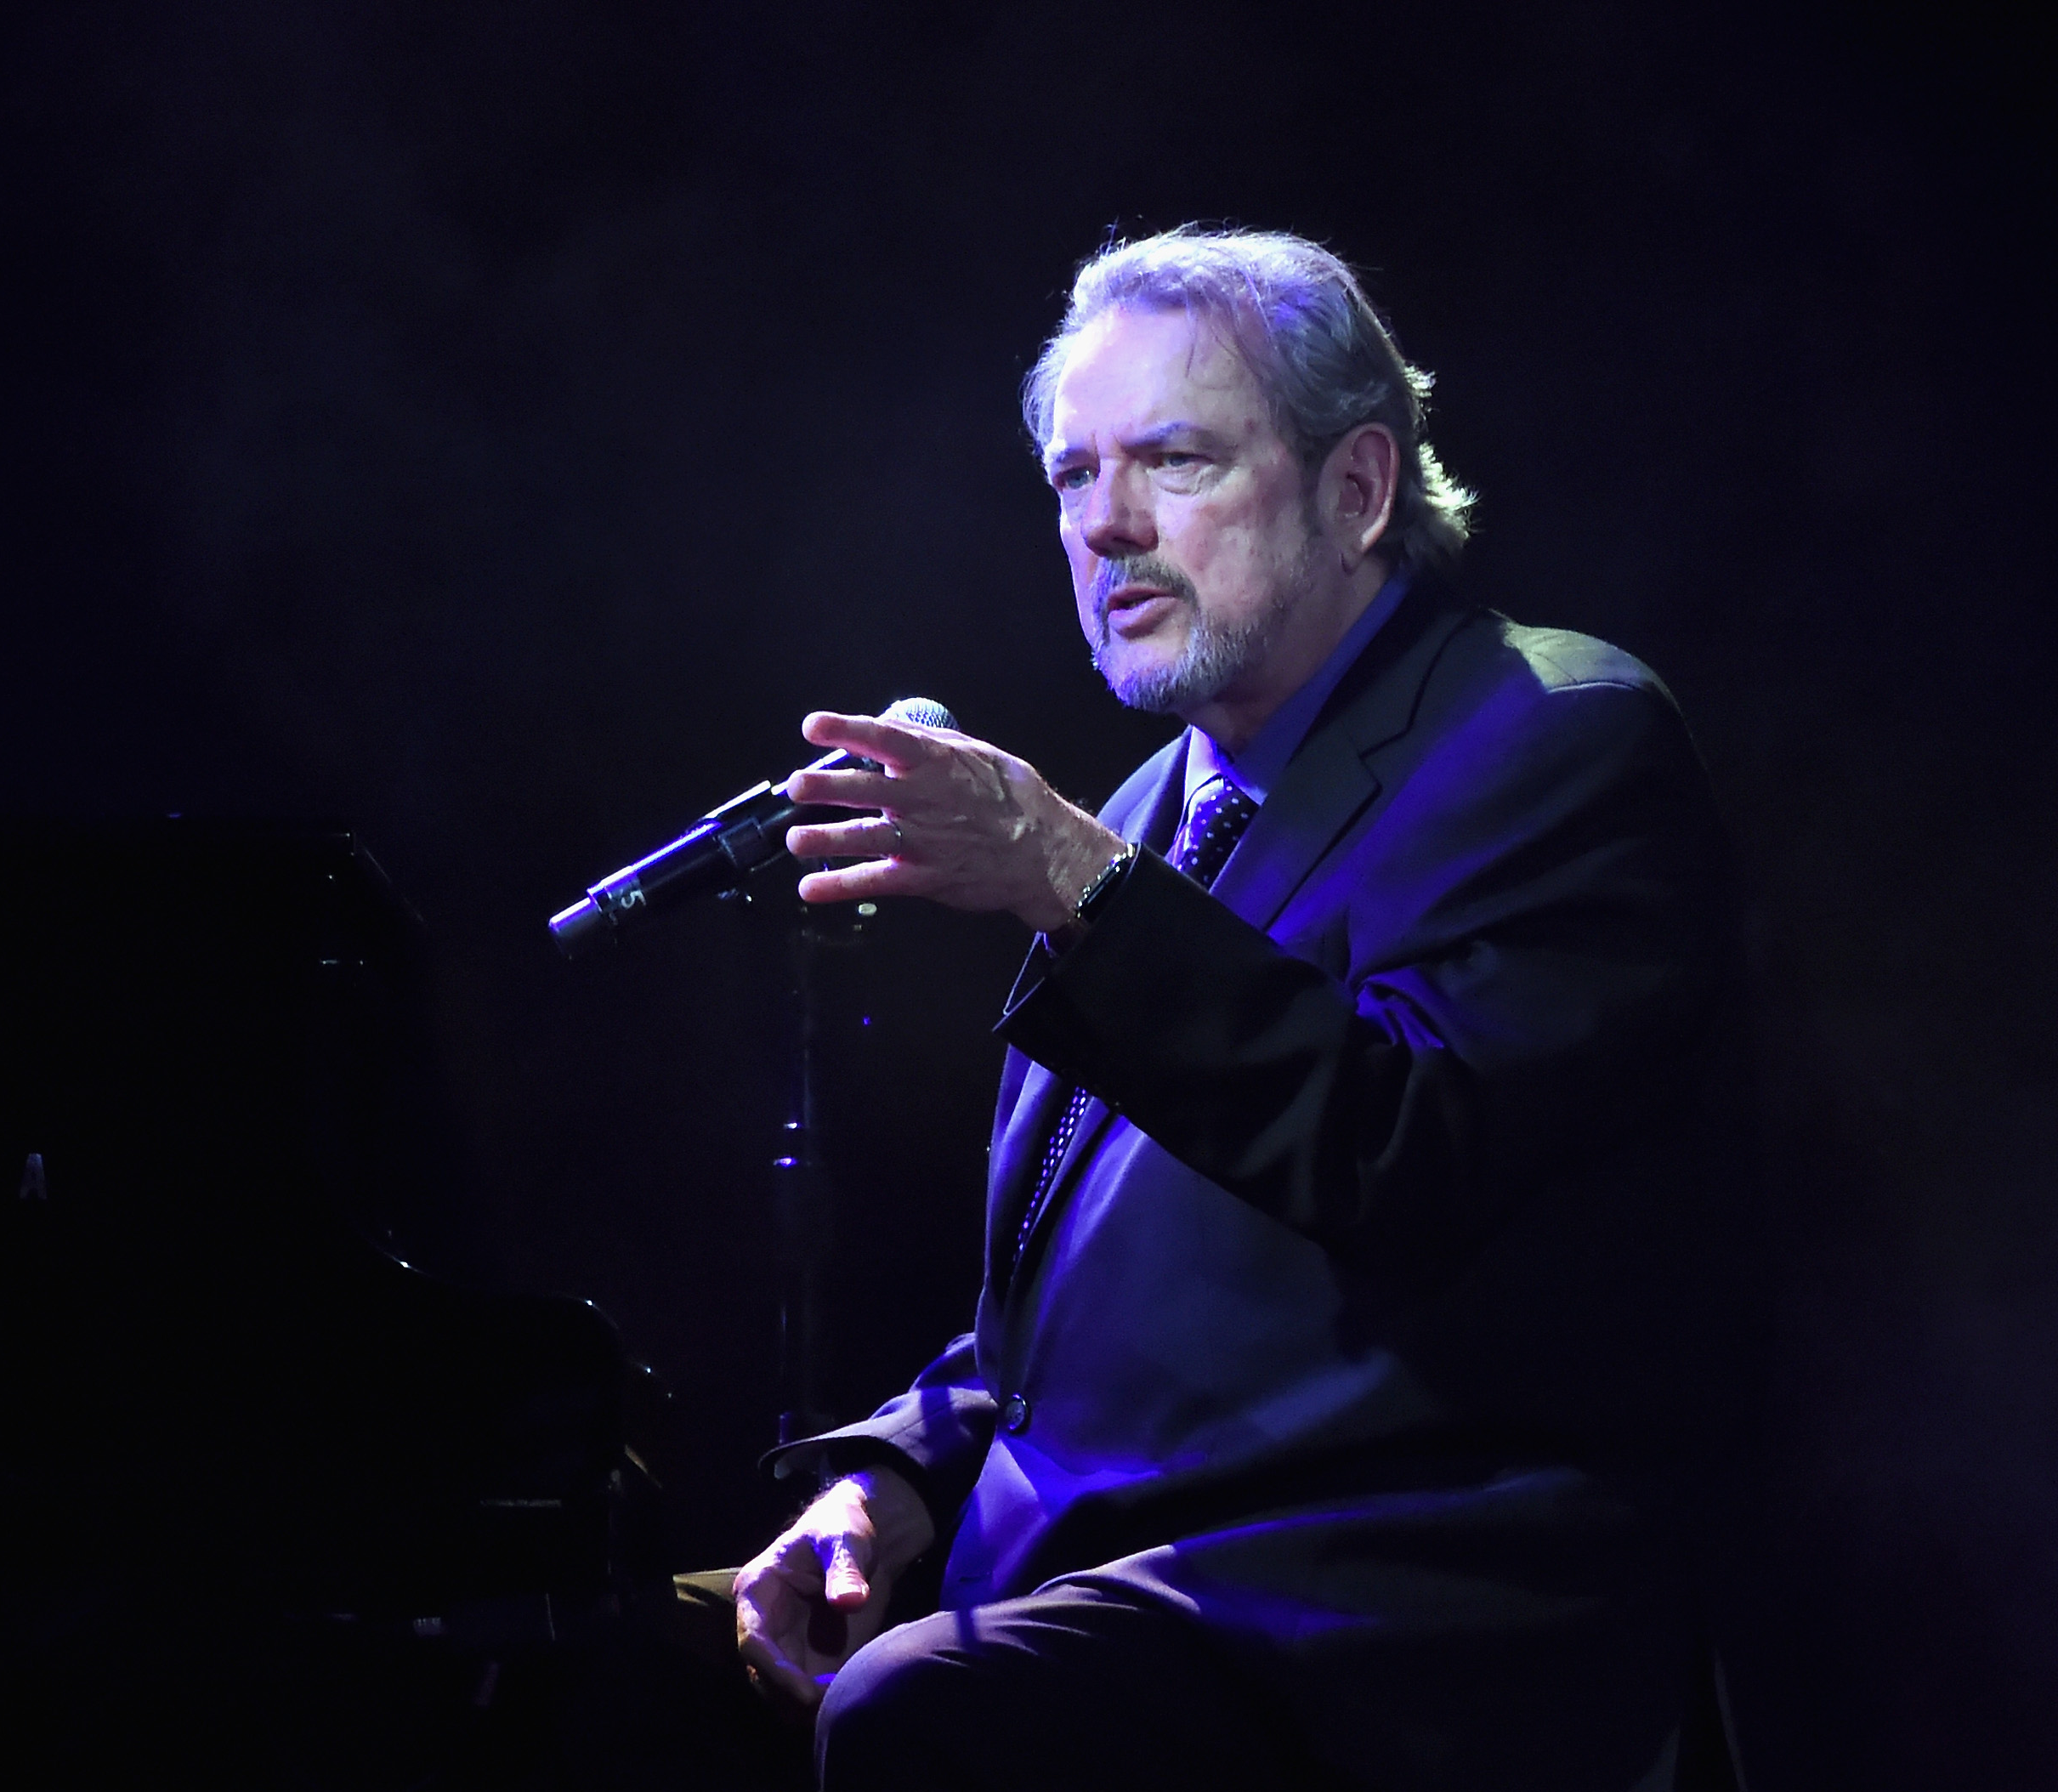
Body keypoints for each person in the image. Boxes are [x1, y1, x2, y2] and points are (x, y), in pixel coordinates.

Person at [726, 229, 1754, 1789]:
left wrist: (1077, 881)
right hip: (1131, 1597)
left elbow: (1407, 1147)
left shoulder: (1555, 734)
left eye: (1175, 462)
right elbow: (1096, 1307)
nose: (1107, 527)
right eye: (1073, 477)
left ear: (1357, 488)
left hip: (1387, 1611)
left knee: (916, 1712)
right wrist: (891, 1480)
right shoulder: (1148, 805)